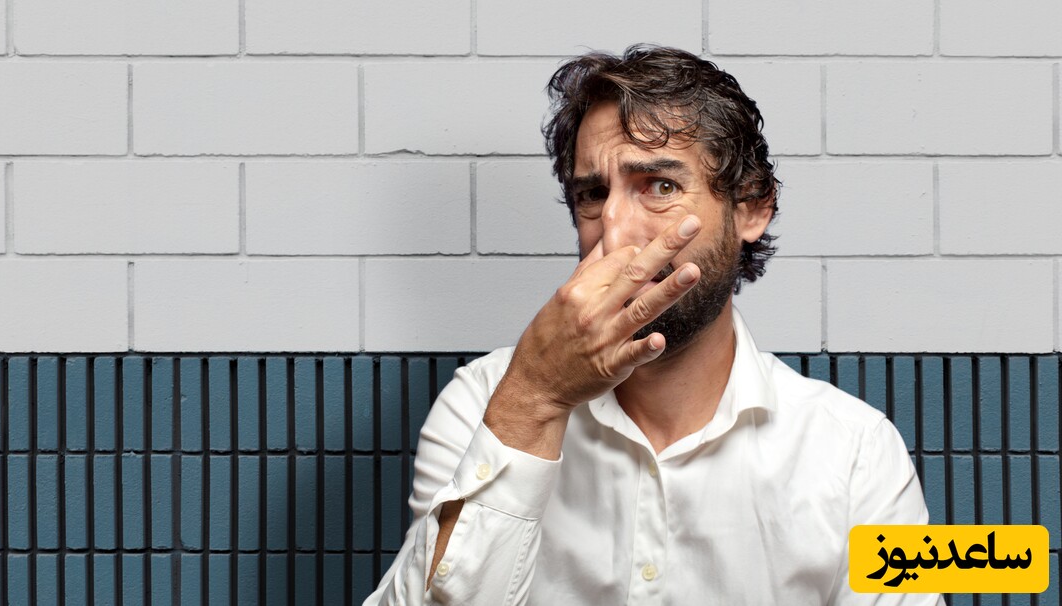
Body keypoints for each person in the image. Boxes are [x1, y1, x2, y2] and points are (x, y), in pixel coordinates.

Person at [365, 45, 942, 605]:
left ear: (750, 208)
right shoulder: (483, 404)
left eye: (660, 187)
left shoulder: (857, 451)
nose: (614, 229)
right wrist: (535, 399)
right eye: (593, 194)